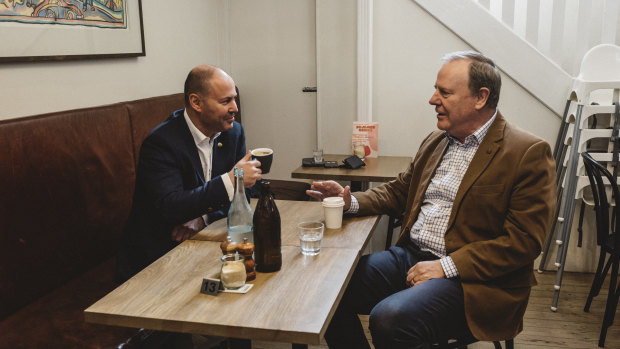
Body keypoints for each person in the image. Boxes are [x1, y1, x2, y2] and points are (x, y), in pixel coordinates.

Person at [307, 51, 556, 349]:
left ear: (481, 97)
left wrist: (447, 267)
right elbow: (400, 191)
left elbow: (524, 242)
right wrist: (351, 203)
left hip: (473, 281)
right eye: (436, 89)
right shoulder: (437, 140)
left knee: (389, 318)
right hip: (412, 257)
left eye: (445, 92)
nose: (432, 99)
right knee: (327, 287)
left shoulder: (527, 153)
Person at [116, 64, 261, 283]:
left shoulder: (232, 133)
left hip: (205, 246)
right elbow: (171, 207)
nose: (235, 109)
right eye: (225, 101)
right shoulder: (161, 143)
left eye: (234, 99)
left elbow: (249, 193)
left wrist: (204, 217)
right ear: (196, 102)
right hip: (159, 256)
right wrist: (231, 181)